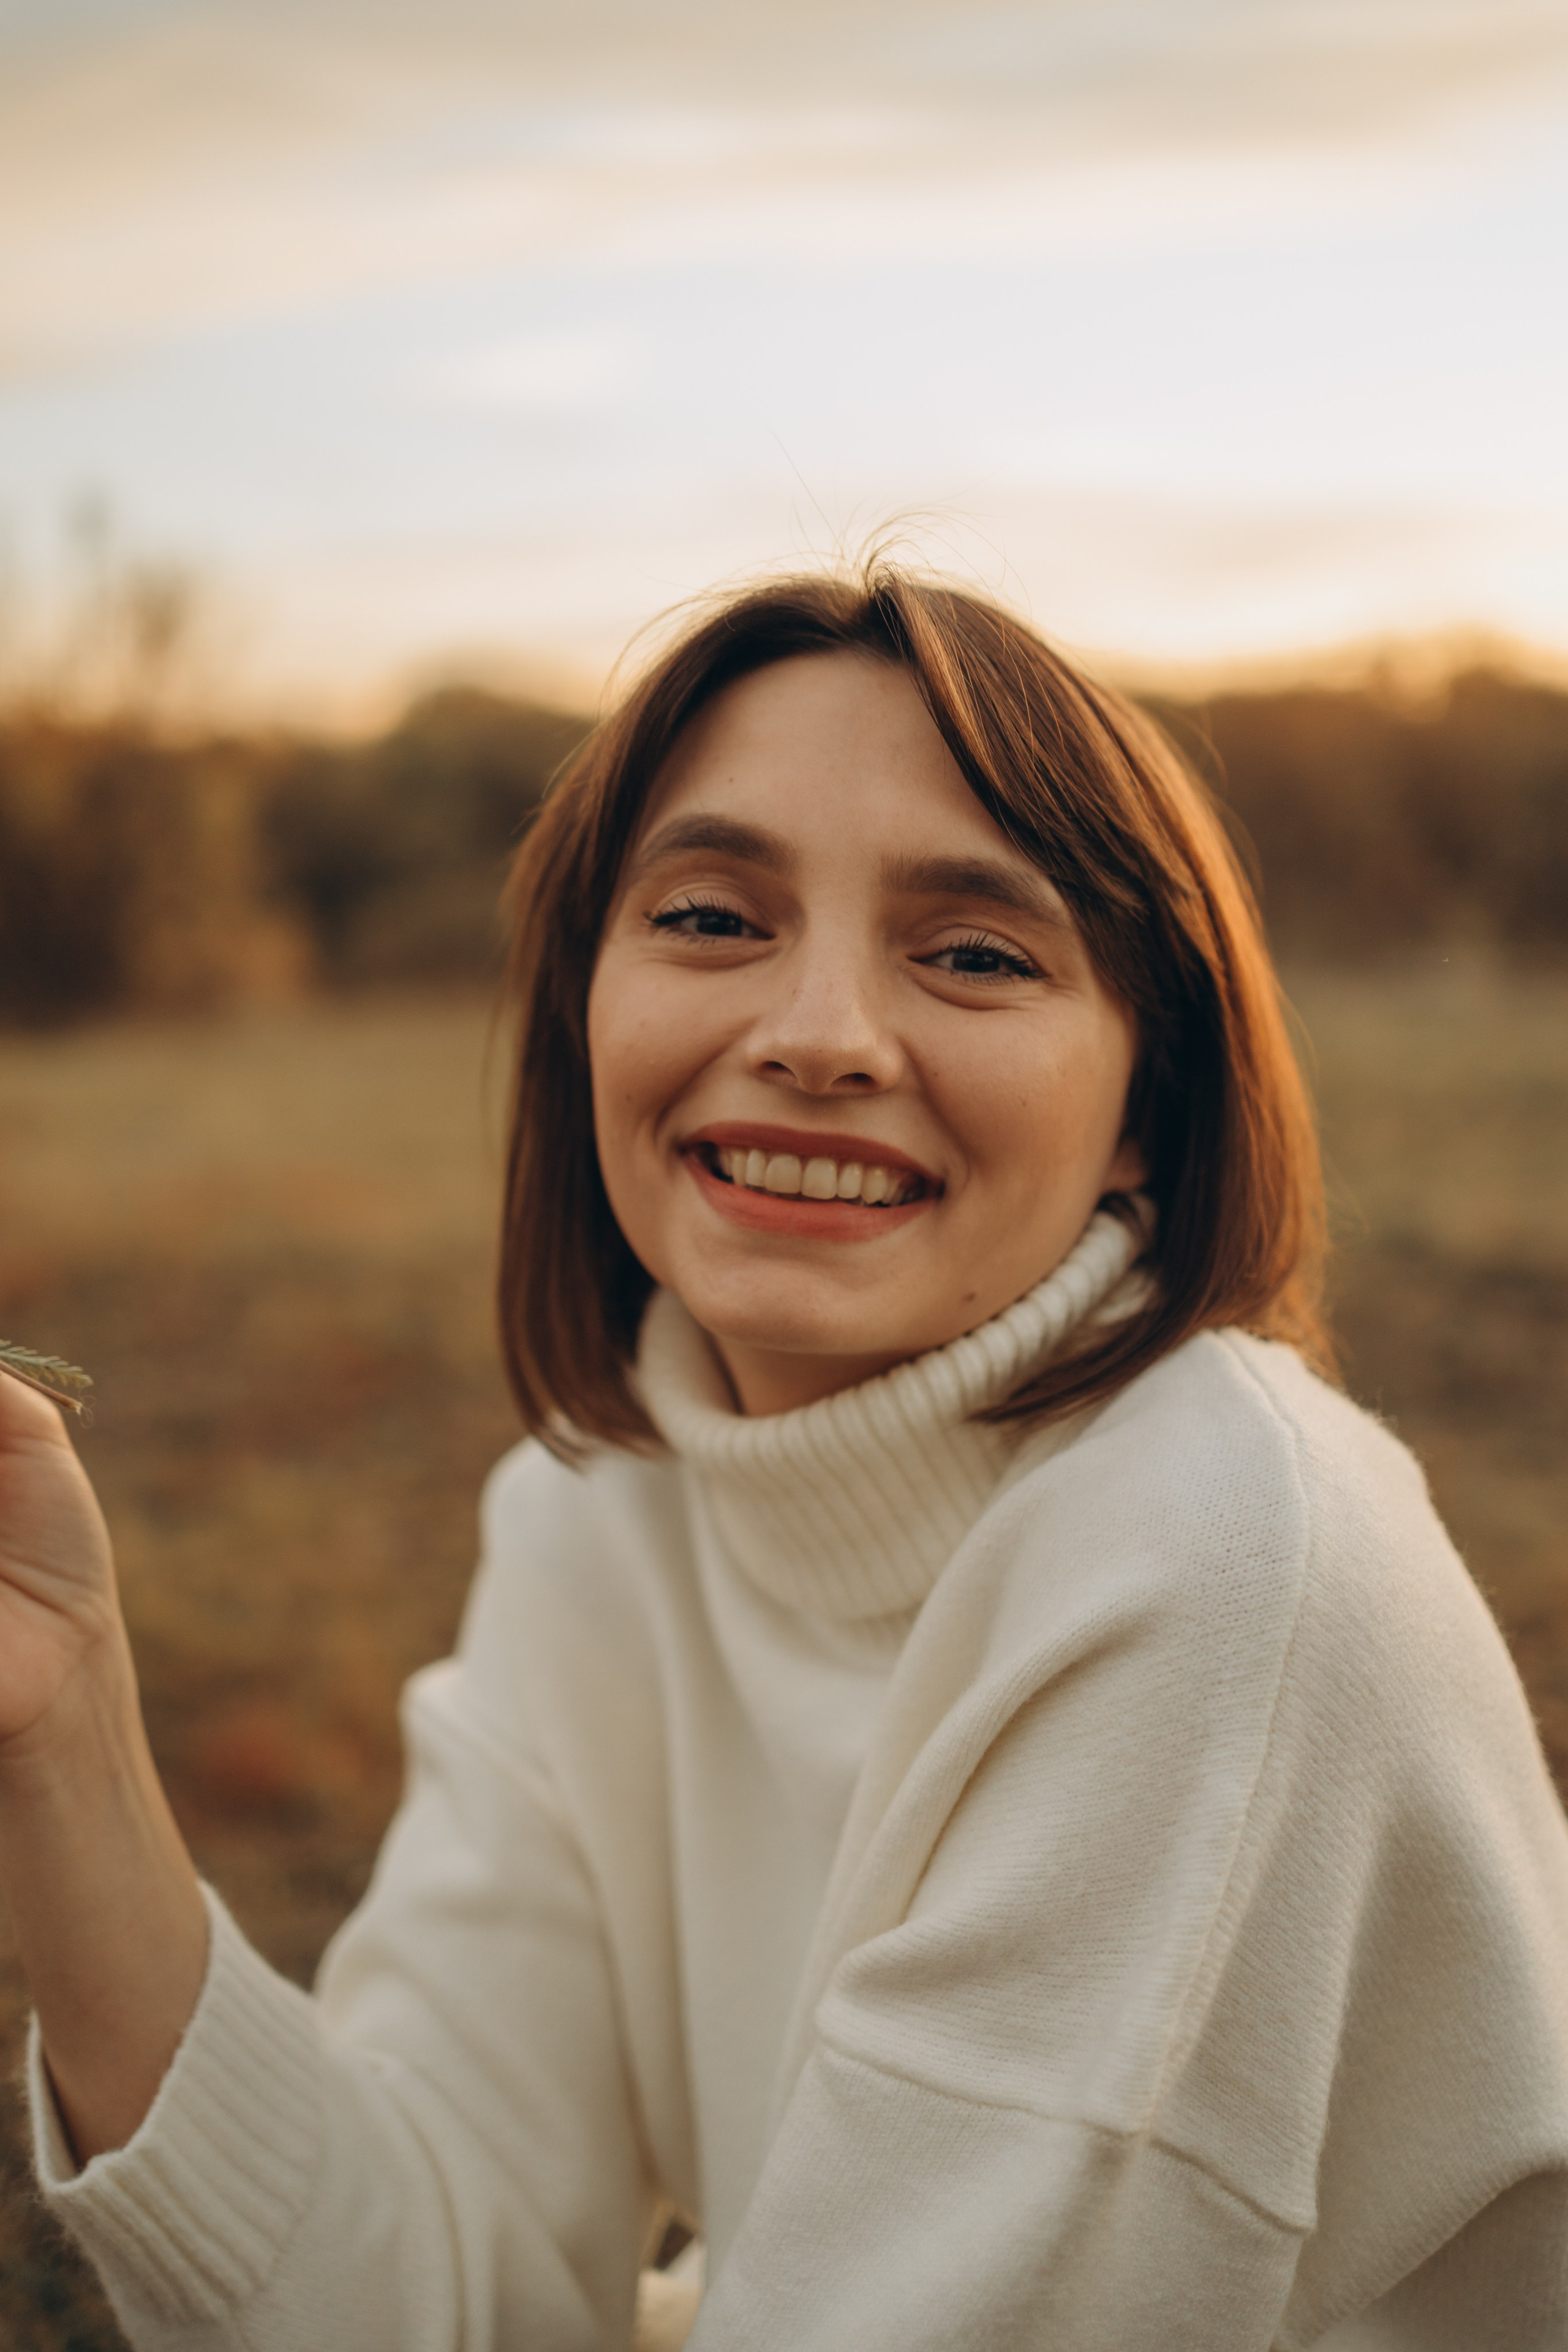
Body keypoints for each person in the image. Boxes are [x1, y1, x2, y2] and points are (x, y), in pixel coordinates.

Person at [2, 567, 1566, 2352]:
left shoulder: (1230, 1566)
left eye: (974, 953)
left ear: (1148, 1106)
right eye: (710, 918)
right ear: (587, 1002)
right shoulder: (607, 1519)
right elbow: (444, 2293)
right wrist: (63, 1730)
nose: (818, 1034)